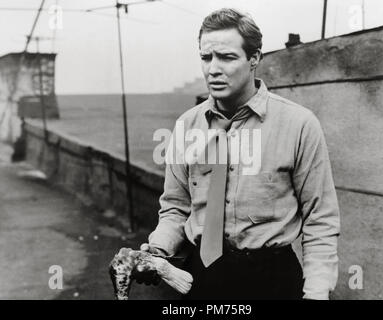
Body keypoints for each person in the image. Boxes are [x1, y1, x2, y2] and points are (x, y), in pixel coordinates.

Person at [138, 8, 340, 300]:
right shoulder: (186, 126)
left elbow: (320, 218)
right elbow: (176, 208)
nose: (213, 69)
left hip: (273, 280)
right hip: (202, 278)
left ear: (254, 58)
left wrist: (317, 292)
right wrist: (157, 251)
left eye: (227, 57)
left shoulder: (299, 124)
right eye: (206, 58)